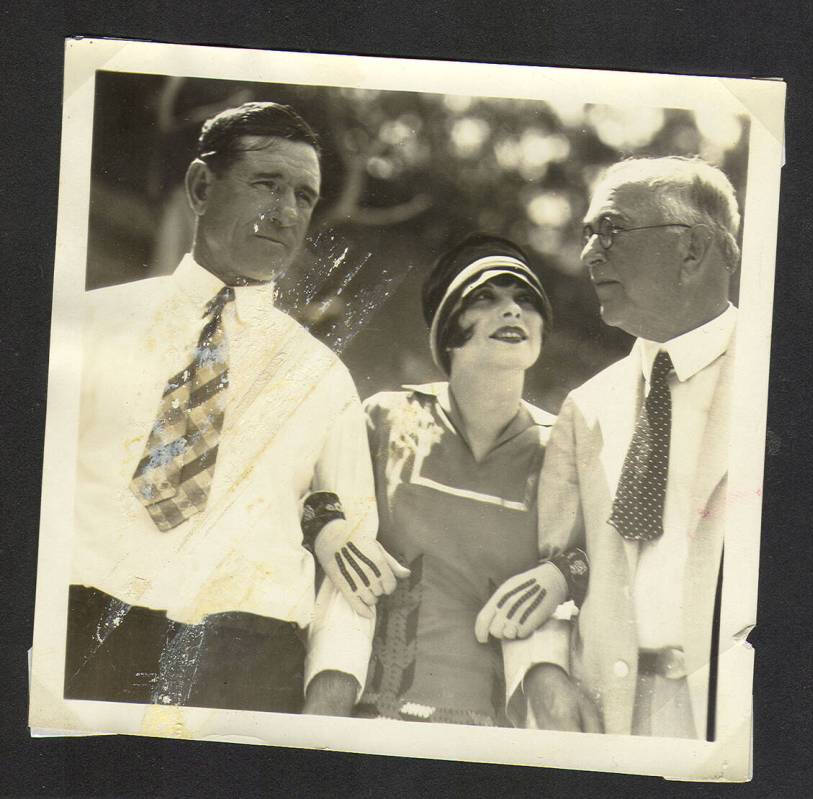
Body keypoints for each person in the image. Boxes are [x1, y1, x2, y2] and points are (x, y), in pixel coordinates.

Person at [64, 102, 405, 716]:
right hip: (83, 637)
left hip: (246, 663)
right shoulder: (89, 327)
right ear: (201, 187)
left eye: (304, 196)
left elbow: (352, 565)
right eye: (267, 184)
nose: (287, 212)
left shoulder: (323, 378)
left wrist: (328, 696)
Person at [475, 156, 742, 739]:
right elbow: (548, 566)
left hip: (739, 723)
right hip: (607, 720)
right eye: (588, 232)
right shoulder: (588, 406)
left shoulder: (794, 387)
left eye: (612, 230)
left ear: (692, 249)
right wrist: (544, 675)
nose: (589, 253)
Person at [349, 233, 572, 726]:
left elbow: (598, 558)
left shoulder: (565, 445)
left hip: (499, 738)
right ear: (450, 330)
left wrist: (567, 571)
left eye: (526, 300)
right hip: (372, 720)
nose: (513, 311)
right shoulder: (384, 419)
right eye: (486, 298)